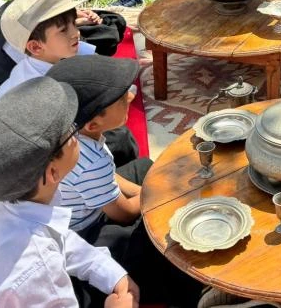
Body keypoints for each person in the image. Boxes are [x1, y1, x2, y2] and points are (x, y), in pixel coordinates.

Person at [0, 77, 138, 307]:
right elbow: (45, 253)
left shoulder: (2, 203)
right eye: (70, 131)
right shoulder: (36, 271)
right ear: (52, 172)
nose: (76, 128)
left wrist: (113, 274)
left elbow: (60, 239)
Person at [47, 56, 203, 307]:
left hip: (93, 199)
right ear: (93, 122)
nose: (131, 97)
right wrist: (155, 195)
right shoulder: (88, 161)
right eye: (121, 98)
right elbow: (124, 215)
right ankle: (194, 292)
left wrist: (147, 190)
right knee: (161, 236)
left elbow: (110, 177)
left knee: (145, 169)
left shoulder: (76, 134)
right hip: (85, 230)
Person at [0, 0, 83, 99]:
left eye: (74, 23)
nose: (76, 33)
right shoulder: (43, 90)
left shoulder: (46, 60)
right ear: (35, 47)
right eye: (63, 30)